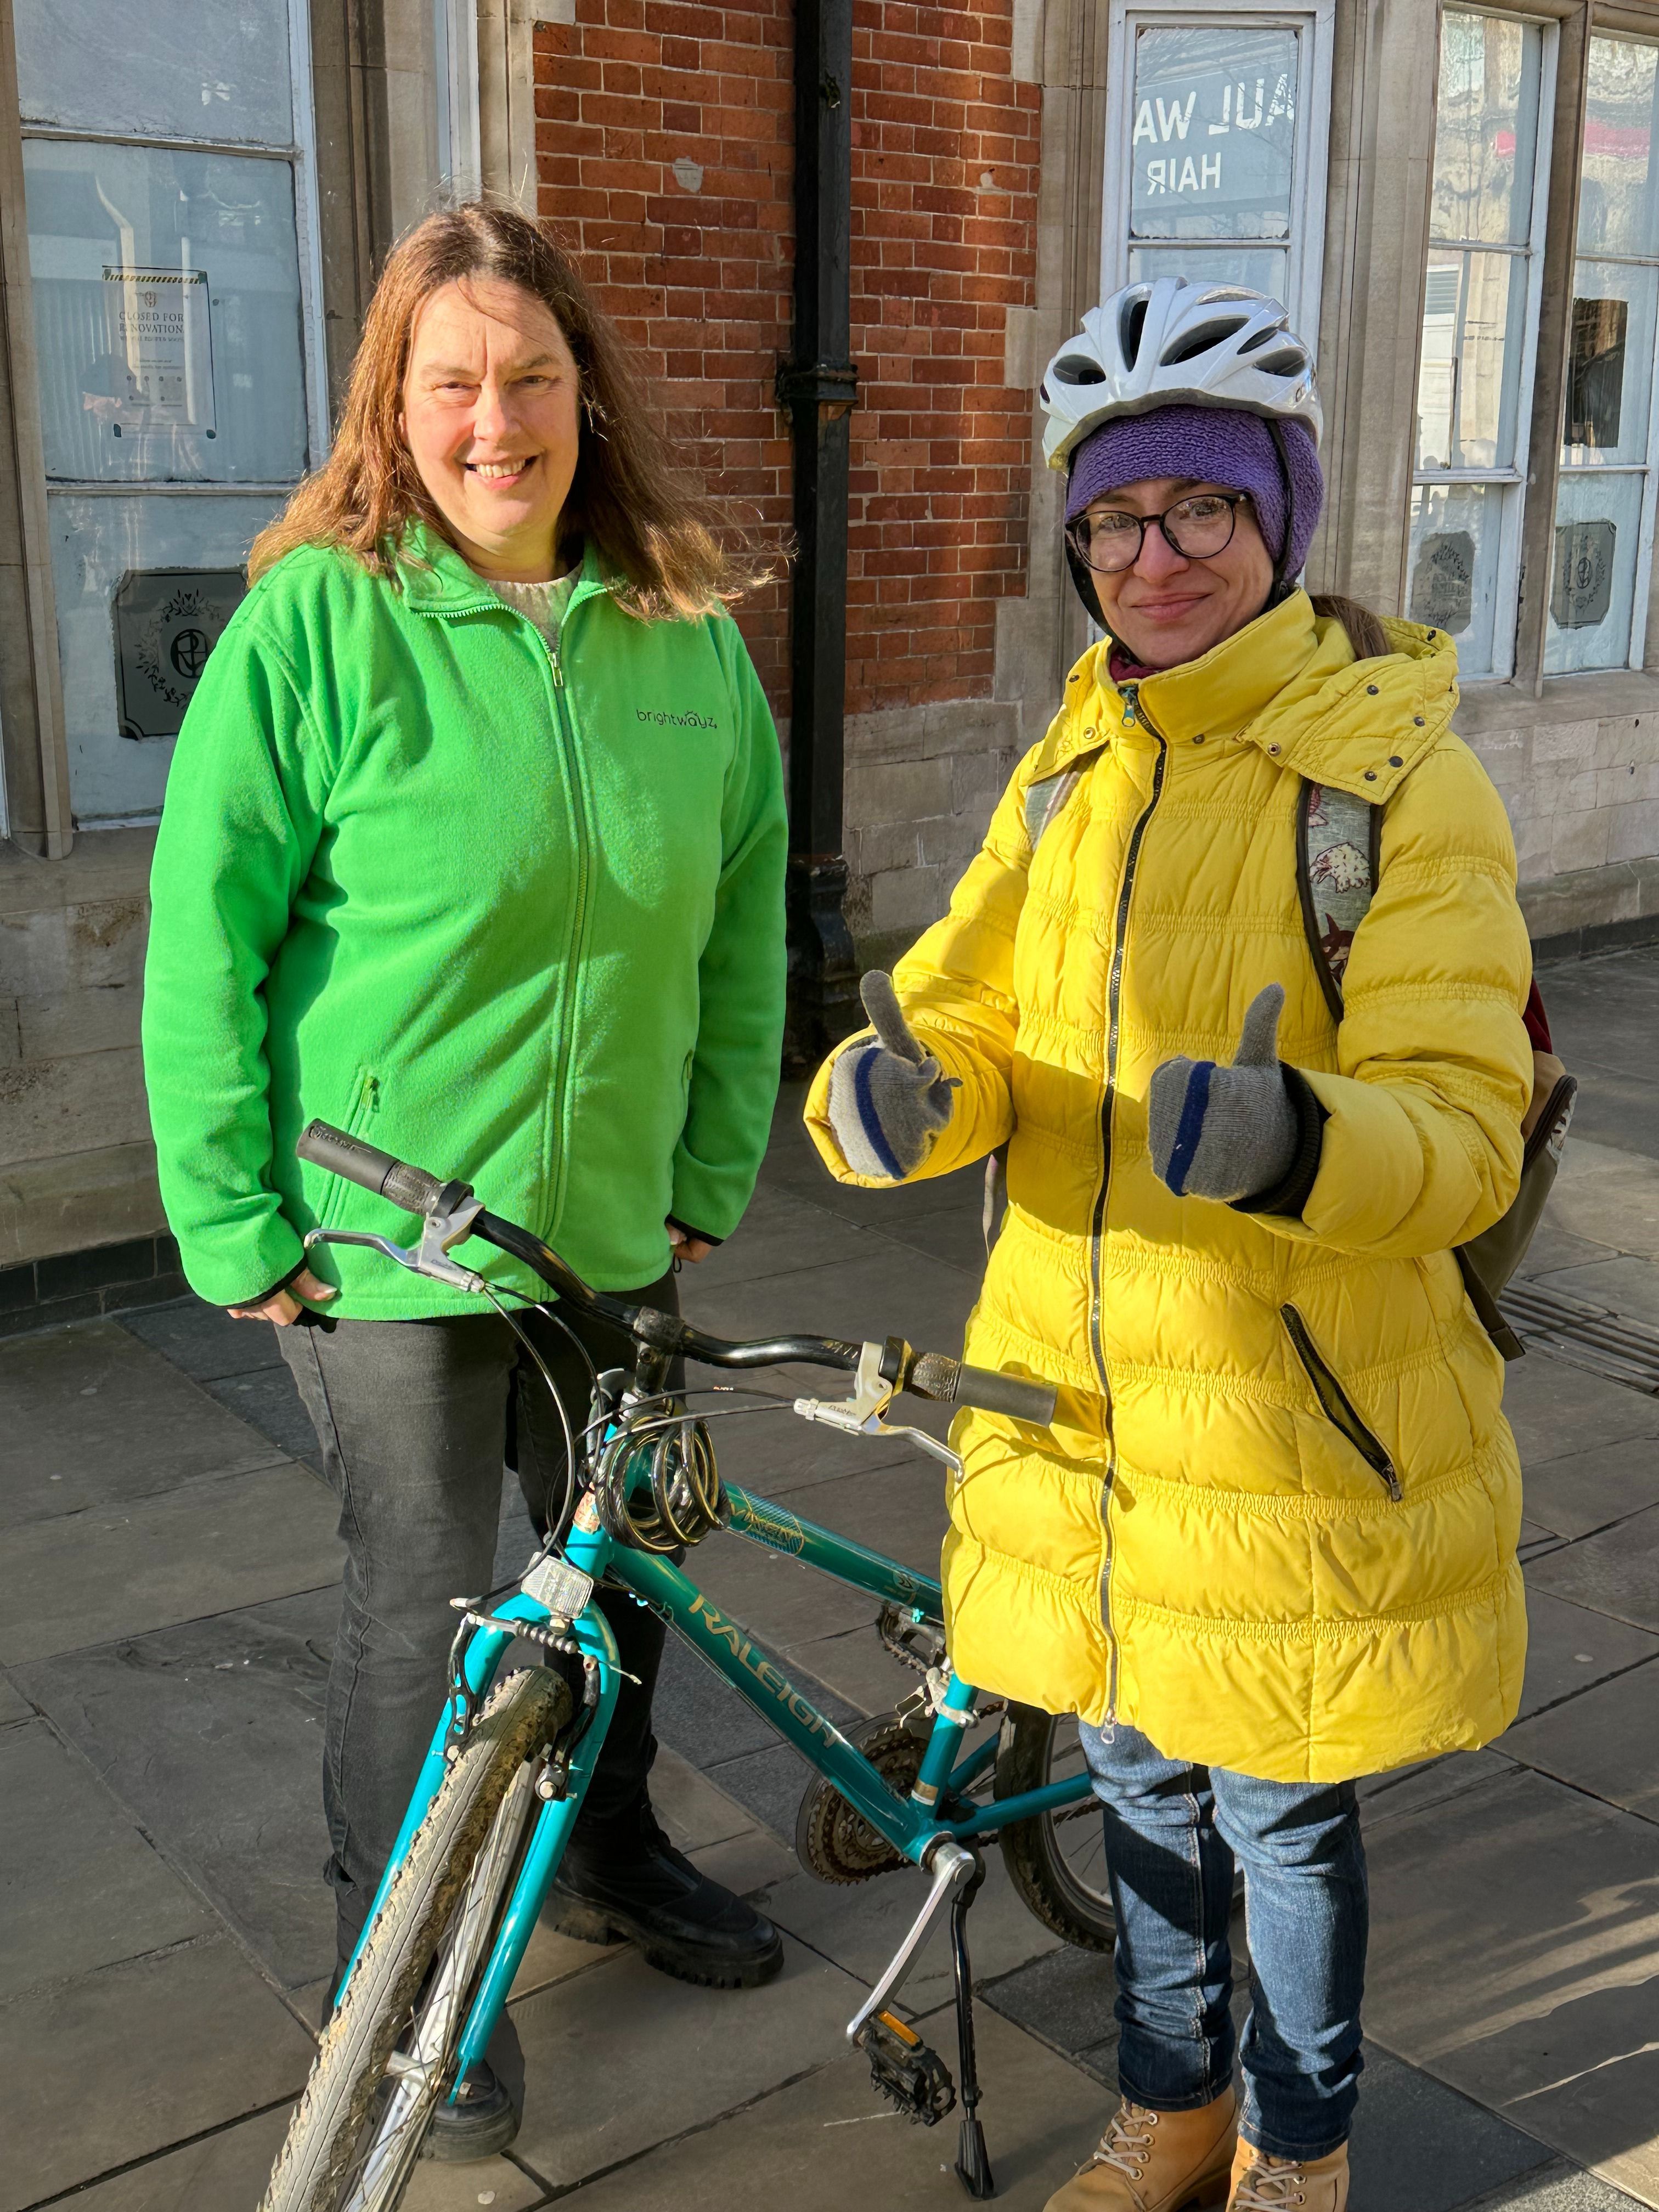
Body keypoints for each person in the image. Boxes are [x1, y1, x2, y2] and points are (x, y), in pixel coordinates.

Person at [805, 278, 1534, 2212]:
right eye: (1119, 521)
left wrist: (1306, 1141)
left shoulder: (1393, 785)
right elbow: (952, 1011)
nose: (1158, 555)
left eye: (1203, 508)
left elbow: (1462, 1133)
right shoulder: (1068, 770)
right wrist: (897, 1099)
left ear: (1280, 517)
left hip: (1288, 1413)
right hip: (1078, 1399)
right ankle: (1172, 2106)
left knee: (1282, 1814)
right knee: (1132, 1781)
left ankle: (1301, 2152)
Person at [142, 202, 788, 2161]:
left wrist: (711, 1160)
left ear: (582, 390)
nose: (491, 420)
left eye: (525, 377)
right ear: (393, 406)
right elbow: (205, 933)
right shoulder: (319, 621)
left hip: (608, 1224)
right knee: (424, 1614)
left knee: (629, 1570)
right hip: (389, 1240)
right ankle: (405, 1967)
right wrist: (232, 1214)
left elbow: (749, 909)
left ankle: (603, 1850)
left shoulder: (681, 629)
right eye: (450, 383)